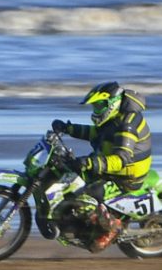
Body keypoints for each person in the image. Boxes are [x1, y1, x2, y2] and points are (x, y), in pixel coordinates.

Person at [50, 81, 153, 251]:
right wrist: (68, 128)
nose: (96, 111)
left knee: (89, 194)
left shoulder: (127, 124)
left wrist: (90, 163)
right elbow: (94, 134)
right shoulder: (115, 118)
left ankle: (113, 228)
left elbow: (121, 159)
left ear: (112, 103)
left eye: (99, 106)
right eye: (94, 107)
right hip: (111, 170)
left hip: (126, 177)